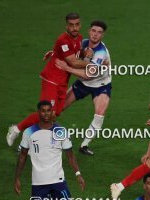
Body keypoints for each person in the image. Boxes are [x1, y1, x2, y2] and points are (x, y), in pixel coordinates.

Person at [6, 13, 91, 146]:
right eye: (71, 25)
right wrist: (92, 64)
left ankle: (29, 139)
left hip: (62, 82)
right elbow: (74, 62)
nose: (74, 28)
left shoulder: (79, 38)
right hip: (51, 80)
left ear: (80, 25)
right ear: (66, 26)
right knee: (46, 112)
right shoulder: (63, 39)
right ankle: (17, 131)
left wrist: (84, 53)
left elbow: (74, 53)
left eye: (77, 24)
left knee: (54, 114)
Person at [54, 20, 112, 156]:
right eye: (93, 31)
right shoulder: (82, 43)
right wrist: (53, 53)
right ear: (89, 31)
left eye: (99, 32)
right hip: (82, 84)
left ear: (103, 35)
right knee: (57, 108)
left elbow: (88, 75)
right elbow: (68, 54)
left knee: (99, 114)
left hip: (101, 85)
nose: (95, 34)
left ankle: (84, 145)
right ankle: (40, 135)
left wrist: (67, 68)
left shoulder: (101, 53)